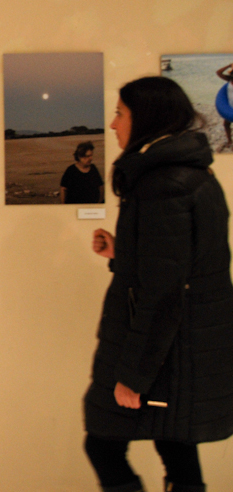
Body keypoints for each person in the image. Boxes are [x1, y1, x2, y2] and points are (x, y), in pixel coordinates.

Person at [84, 76, 233, 492]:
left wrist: (134, 375)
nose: (113, 124)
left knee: (104, 446)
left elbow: (164, 292)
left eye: (120, 113)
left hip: (167, 353)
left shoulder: (163, 185)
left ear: (146, 118)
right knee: (176, 444)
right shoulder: (188, 175)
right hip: (184, 348)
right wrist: (123, 253)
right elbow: (180, 266)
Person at [215, 63, 233, 147]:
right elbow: (218, 72)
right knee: (226, 124)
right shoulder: (229, 80)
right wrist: (229, 65)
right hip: (230, 106)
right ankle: (229, 141)